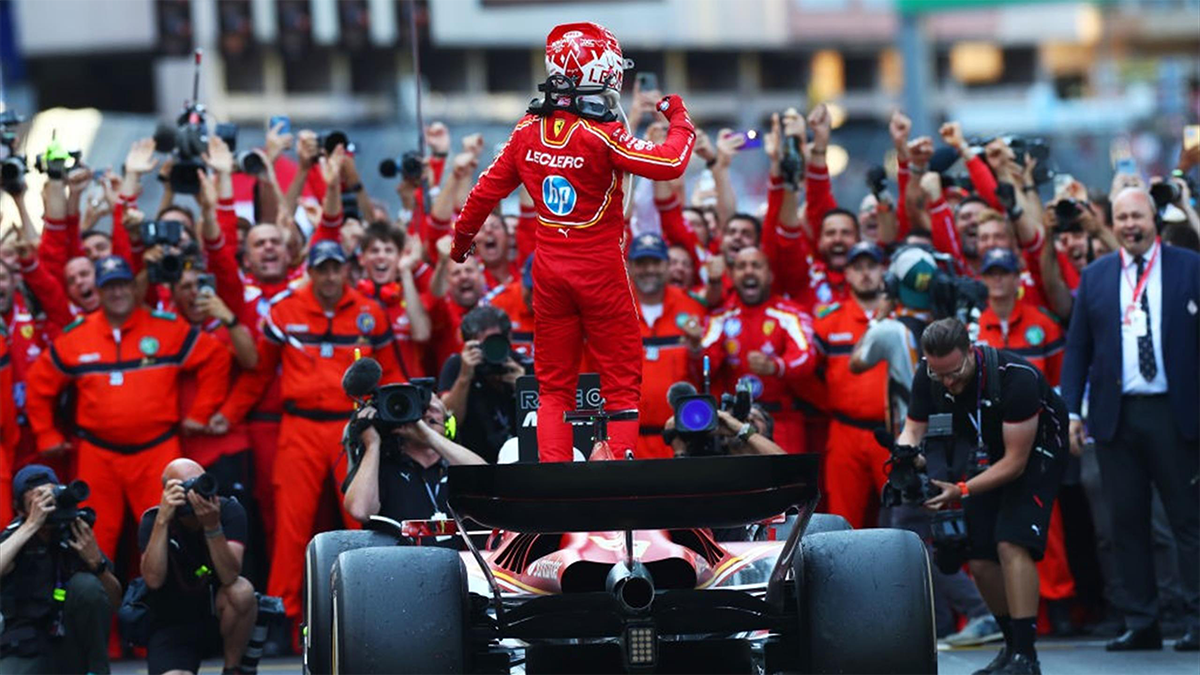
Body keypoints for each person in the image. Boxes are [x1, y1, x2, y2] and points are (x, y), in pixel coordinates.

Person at [449, 22, 696, 462]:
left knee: (553, 387)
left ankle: (554, 481)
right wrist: (677, 115)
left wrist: (460, 245)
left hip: (548, 270)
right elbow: (672, 162)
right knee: (620, 384)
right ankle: (617, 473)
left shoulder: (527, 130)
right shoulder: (602, 133)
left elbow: (484, 192)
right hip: (599, 268)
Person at [215, 240, 400, 631]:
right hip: (298, 427)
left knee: (363, 520)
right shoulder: (285, 312)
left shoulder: (371, 312)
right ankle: (283, 618)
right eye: (322, 269)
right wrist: (227, 414)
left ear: (347, 269)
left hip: (351, 425)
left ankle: (372, 610)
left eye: (336, 268)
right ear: (309, 272)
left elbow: (393, 373)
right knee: (291, 527)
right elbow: (259, 375)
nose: (330, 276)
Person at [1061, 187, 1199, 652]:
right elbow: (1077, 347)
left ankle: (1198, 616)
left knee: (1188, 520)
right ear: (1113, 223)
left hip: (1175, 412)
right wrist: (1072, 412)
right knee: (1127, 522)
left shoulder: (1188, 267)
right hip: (1115, 416)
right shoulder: (1097, 277)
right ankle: (1142, 620)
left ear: (1154, 219)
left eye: (1137, 216)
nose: (1129, 225)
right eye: (1121, 217)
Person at [23, 255, 231, 559]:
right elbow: (39, 384)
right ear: (99, 290)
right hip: (98, 453)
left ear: (134, 288)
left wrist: (201, 413)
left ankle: (165, 605)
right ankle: (100, 604)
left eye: (122, 285)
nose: (117, 293)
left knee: (167, 533)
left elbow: (216, 358)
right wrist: (46, 435)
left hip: (156, 450)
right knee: (91, 534)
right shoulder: (78, 336)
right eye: (109, 287)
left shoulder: (165, 328)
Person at [899, 318, 1069, 675]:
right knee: (978, 556)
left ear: (971, 351)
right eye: (938, 374)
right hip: (984, 451)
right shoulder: (928, 375)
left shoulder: (1015, 377)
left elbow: (1015, 463)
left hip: (1036, 452)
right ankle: (1010, 647)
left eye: (955, 372)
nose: (947, 382)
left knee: (1011, 542)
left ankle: (1027, 656)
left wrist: (960, 489)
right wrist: (901, 459)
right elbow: (914, 427)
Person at [688, 247, 817, 454]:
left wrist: (775, 366)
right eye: (742, 266)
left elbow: (806, 357)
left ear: (770, 275)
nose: (749, 271)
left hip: (782, 421)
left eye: (756, 266)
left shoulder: (790, 314)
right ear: (732, 275)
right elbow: (705, 368)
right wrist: (695, 347)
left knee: (789, 483)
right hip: (733, 423)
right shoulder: (720, 317)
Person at [138, 458, 257, 675]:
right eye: (186, 487)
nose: (196, 492)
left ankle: (233, 668)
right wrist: (163, 522)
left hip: (218, 618)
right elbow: (153, 580)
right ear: (168, 492)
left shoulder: (228, 511)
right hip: (172, 624)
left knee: (241, 591)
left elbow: (230, 575)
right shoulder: (153, 520)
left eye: (200, 482)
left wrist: (212, 527)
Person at [0, 465, 122, 675]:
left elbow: (116, 601)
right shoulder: (15, 536)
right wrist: (31, 525)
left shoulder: (74, 532)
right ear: (20, 509)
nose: (47, 507)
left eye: (51, 500)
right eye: (37, 503)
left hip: (69, 643)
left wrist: (98, 566)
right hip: (25, 645)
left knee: (87, 586)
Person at [813, 241, 891, 528]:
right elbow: (808, 374)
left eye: (871, 266)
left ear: (883, 270)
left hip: (892, 432)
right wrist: (834, 399)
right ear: (846, 273)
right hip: (845, 431)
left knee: (905, 516)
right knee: (844, 522)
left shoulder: (902, 318)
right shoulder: (829, 322)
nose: (865, 274)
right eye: (858, 268)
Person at [624, 233, 705, 458]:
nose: (649, 269)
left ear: (668, 265)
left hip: (682, 438)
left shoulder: (693, 307)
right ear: (629, 266)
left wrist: (697, 347)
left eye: (656, 262)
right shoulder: (615, 306)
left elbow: (710, 372)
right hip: (627, 439)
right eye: (641, 263)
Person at [343, 395, 484, 525]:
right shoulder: (381, 467)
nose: (425, 414)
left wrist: (429, 437)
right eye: (418, 409)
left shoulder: (458, 464)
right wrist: (372, 445)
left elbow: (486, 480)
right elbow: (360, 511)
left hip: (458, 552)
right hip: (399, 552)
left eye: (433, 409)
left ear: (448, 422)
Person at [439, 305, 531, 463]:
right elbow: (449, 424)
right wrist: (464, 378)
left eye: (494, 343)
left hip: (522, 462)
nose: (489, 352)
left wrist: (525, 389)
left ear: (508, 338)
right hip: (473, 463)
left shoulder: (525, 366)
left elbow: (547, 422)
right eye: (481, 346)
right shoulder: (457, 366)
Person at [975, 248, 1064, 385]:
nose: (997, 278)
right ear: (983, 279)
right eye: (991, 273)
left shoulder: (1043, 322)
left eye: (1004, 272)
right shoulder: (974, 326)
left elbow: (1058, 381)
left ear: (1017, 278)